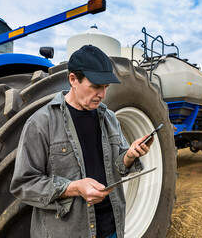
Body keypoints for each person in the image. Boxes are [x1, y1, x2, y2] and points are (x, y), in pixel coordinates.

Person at [10, 45, 153, 238]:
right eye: (95, 86)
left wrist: (129, 156)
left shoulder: (109, 117)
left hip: (112, 228)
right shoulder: (41, 123)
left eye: (106, 87)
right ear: (73, 80)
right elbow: (24, 185)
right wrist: (74, 187)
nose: (102, 94)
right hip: (68, 232)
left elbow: (118, 166)